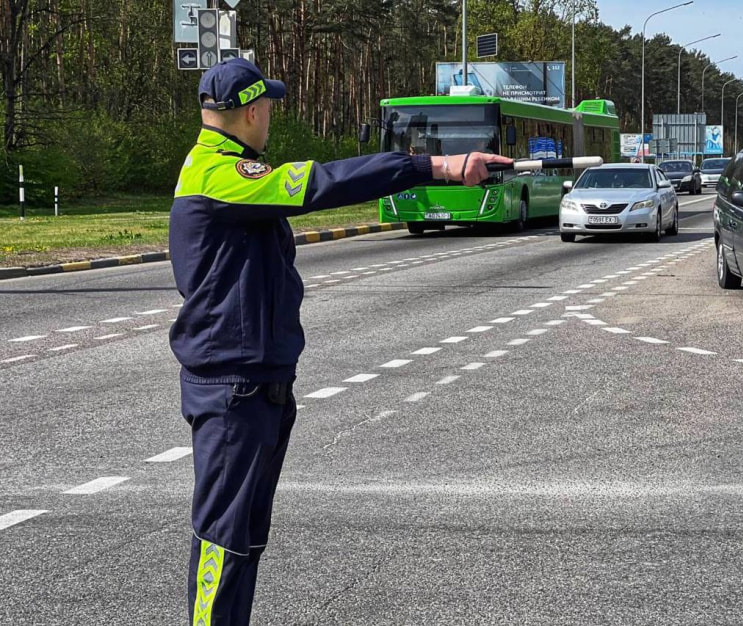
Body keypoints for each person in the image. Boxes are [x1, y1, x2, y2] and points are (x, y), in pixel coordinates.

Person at [168, 58, 511, 625]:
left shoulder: (228, 169)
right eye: (269, 106)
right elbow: (325, 183)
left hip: (258, 381)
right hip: (234, 388)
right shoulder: (218, 174)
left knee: (244, 540)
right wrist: (436, 166)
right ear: (251, 111)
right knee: (222, 541)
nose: (272, 116)